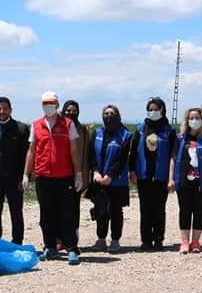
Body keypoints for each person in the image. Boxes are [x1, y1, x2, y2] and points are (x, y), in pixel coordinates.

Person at [24, 91, 84, 265]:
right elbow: (31, 151)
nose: (48, 106)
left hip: (64, 176)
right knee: (46, 214)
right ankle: (50, 247)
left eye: (51, 103)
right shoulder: (35, 125)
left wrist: (78, 173)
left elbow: (74, 150)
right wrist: (26, 174)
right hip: (43, 176)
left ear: (57, 105)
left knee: (67, 213)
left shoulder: (68, 124)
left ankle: (71, 248)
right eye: (45, 103)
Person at [169, 108, 202, 254]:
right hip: (183, 182)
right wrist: (171, 179)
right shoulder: (180, 138)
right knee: (184, 211)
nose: (194, 121)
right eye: (191, 118)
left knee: (199, 211)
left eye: (197, 118)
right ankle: (184, 242)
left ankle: (196, 241)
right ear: (186, 120)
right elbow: (172, 160)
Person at [0, 97, 31, 243]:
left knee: (16, 213)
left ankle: (17, 243)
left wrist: (25, 176)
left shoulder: (21, 128)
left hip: (15, 179)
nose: (2, 111)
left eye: (5, 108)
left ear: (10, 109)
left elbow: (28, 154)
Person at [130, 97, 176, 251]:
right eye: (150, 109)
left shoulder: (169, 131)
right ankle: (146, 240)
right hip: (143, 176)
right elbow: (133, 153)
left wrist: (171, 177)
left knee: (159, 209)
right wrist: (132, 171)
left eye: (156, 109)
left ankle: (158, 239)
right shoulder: (140, 129)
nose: (153, 112)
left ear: (162, 110)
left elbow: (173, 156)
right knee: (145, 208)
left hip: (161, 176)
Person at [88, 105, 133, 253]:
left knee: (115, 212)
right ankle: (101, 239)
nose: (109, 116)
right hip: (98, 179)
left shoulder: (125, 135)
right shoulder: (97, 133)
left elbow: (122, 159)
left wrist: (110, 175)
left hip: (116, 181)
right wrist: (95, 171)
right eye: (106, 113)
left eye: (112, 113)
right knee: (100, 211)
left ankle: (115, 241)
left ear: (118, 115)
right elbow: (91, 155)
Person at [61, 99, 89, 248]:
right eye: (68, 110)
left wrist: (84, 177)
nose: (71, 113)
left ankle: (73, 239)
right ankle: (59, 239)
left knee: (73, 208)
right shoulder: (59, 127)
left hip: (77, 174)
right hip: (60, 174)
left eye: (74, 111)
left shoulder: (83, 130)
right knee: (59, 208)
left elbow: (85, 155)